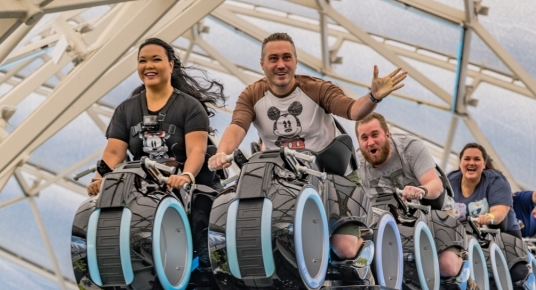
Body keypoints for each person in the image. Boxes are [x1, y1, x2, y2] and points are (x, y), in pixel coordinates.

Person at [208, 32, 407, 260]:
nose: (280, 65)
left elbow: (352, 110)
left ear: (295, 61)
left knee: (345, 248)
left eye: (286, 58)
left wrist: (373, 97)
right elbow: (238, 126)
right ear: (262, 64)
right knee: (272, 238)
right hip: (284, 182)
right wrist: (223, 151)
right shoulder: (252, 95)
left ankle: (368, 244)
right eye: (273, 59)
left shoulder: (316, 88)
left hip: (333, 176)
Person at [85, 38, 226, 272]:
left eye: (156, 60)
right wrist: (99, 178)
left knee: (202, 235)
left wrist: (187, 176)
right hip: (147, 185)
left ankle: (205, 269)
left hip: (193, 184)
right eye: (142, 61)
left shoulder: (190, 107)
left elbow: (197, 150)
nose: (148, 65)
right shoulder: (126, 110)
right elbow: (113, 152)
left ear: (171, 65)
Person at [353, 112, 463, 278]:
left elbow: (435, 185)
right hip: (394, 221)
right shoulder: (357, 165)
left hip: (432, 211)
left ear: (387, 134)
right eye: (364, 138)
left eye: (375, 135)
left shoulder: (410, 148)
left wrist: (421, 190)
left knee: (447, 266)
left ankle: (466, 276)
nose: (371, 142)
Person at [446, 142, 521, 239]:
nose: (471, 163)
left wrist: (489, 217)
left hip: (505, 237)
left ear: (484, 164)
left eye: (477, 159)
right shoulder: (449, 181)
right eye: (467, 159)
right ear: (460, 163)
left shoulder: (496, 180)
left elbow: (499, 212)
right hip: (464, 236)